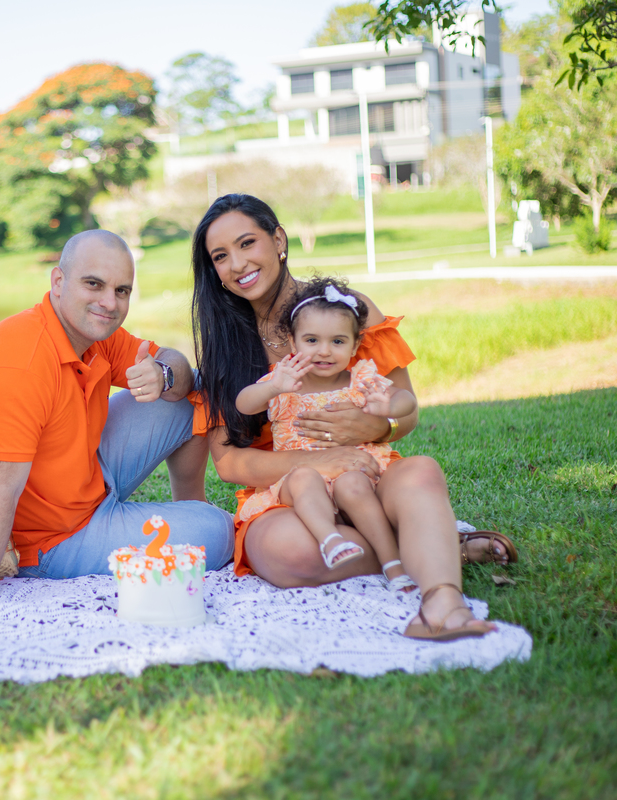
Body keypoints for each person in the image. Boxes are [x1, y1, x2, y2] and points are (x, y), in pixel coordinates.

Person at [190, 193, 508, 640]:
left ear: (278, 239)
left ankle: (443, 605)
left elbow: (406, 411)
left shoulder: (346, 311)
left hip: (366, 475)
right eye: (220, 256)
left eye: (247, 243)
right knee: (289, 553)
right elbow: (229, 464)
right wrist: (317, 463)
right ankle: (432, 543)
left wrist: (377, 426)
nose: (237, 263)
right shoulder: (225, 346)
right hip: (289, 496)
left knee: (420, 473)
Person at [0, 230, 234, 624]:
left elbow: (179, 365)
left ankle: (188, 505)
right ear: (58, 281)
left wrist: (163, 373)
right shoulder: (21, 363)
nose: (109, 302)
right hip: (55, 538)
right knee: (222, 532)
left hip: (91, 475)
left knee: (192, 387)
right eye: (94, 284)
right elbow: (0, 490)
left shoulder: (92, 331)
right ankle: (182, 521)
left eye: (122, 291)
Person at [234, 276, 419, 593]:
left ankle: (393, 564)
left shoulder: (360, 379)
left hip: (352, 473)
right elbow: (244, 404)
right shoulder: (284, 380)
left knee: (354, 482)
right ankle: (329, 539)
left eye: (337, 341)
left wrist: (386, 403)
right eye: (311, 341)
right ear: (293, 344)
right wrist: (271, 388)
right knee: (304, 477)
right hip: (304, 481)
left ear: (355, 345)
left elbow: (407, 401)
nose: (324, 351)